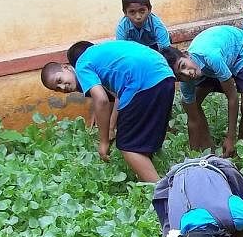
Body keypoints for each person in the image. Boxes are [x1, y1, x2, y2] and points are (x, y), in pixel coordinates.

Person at [40, 40, 178, 182]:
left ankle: (162, 192)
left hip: (142, 81)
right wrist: (111, 127)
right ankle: (147, 178)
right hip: (164, 75)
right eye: (57, 89)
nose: (62, 87)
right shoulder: (97, 57)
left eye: (59, 80)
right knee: (137, 138)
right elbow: (116, 97)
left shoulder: (81, 64)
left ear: (66, 68)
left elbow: (102, 100)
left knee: (128, 146)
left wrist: (103, 141)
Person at [165, 25, 243, 156]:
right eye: (179, 75)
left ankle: (241, 150)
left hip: (242, 52)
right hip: (212, 69)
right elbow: (192, 120)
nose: (187, 73)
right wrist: (193, 159)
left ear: (187, 55)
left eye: (183, 65)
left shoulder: (211, 57)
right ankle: (209, 149)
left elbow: (232, 97)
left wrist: (230, 137)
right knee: (192, 103)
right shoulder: (186, 82)